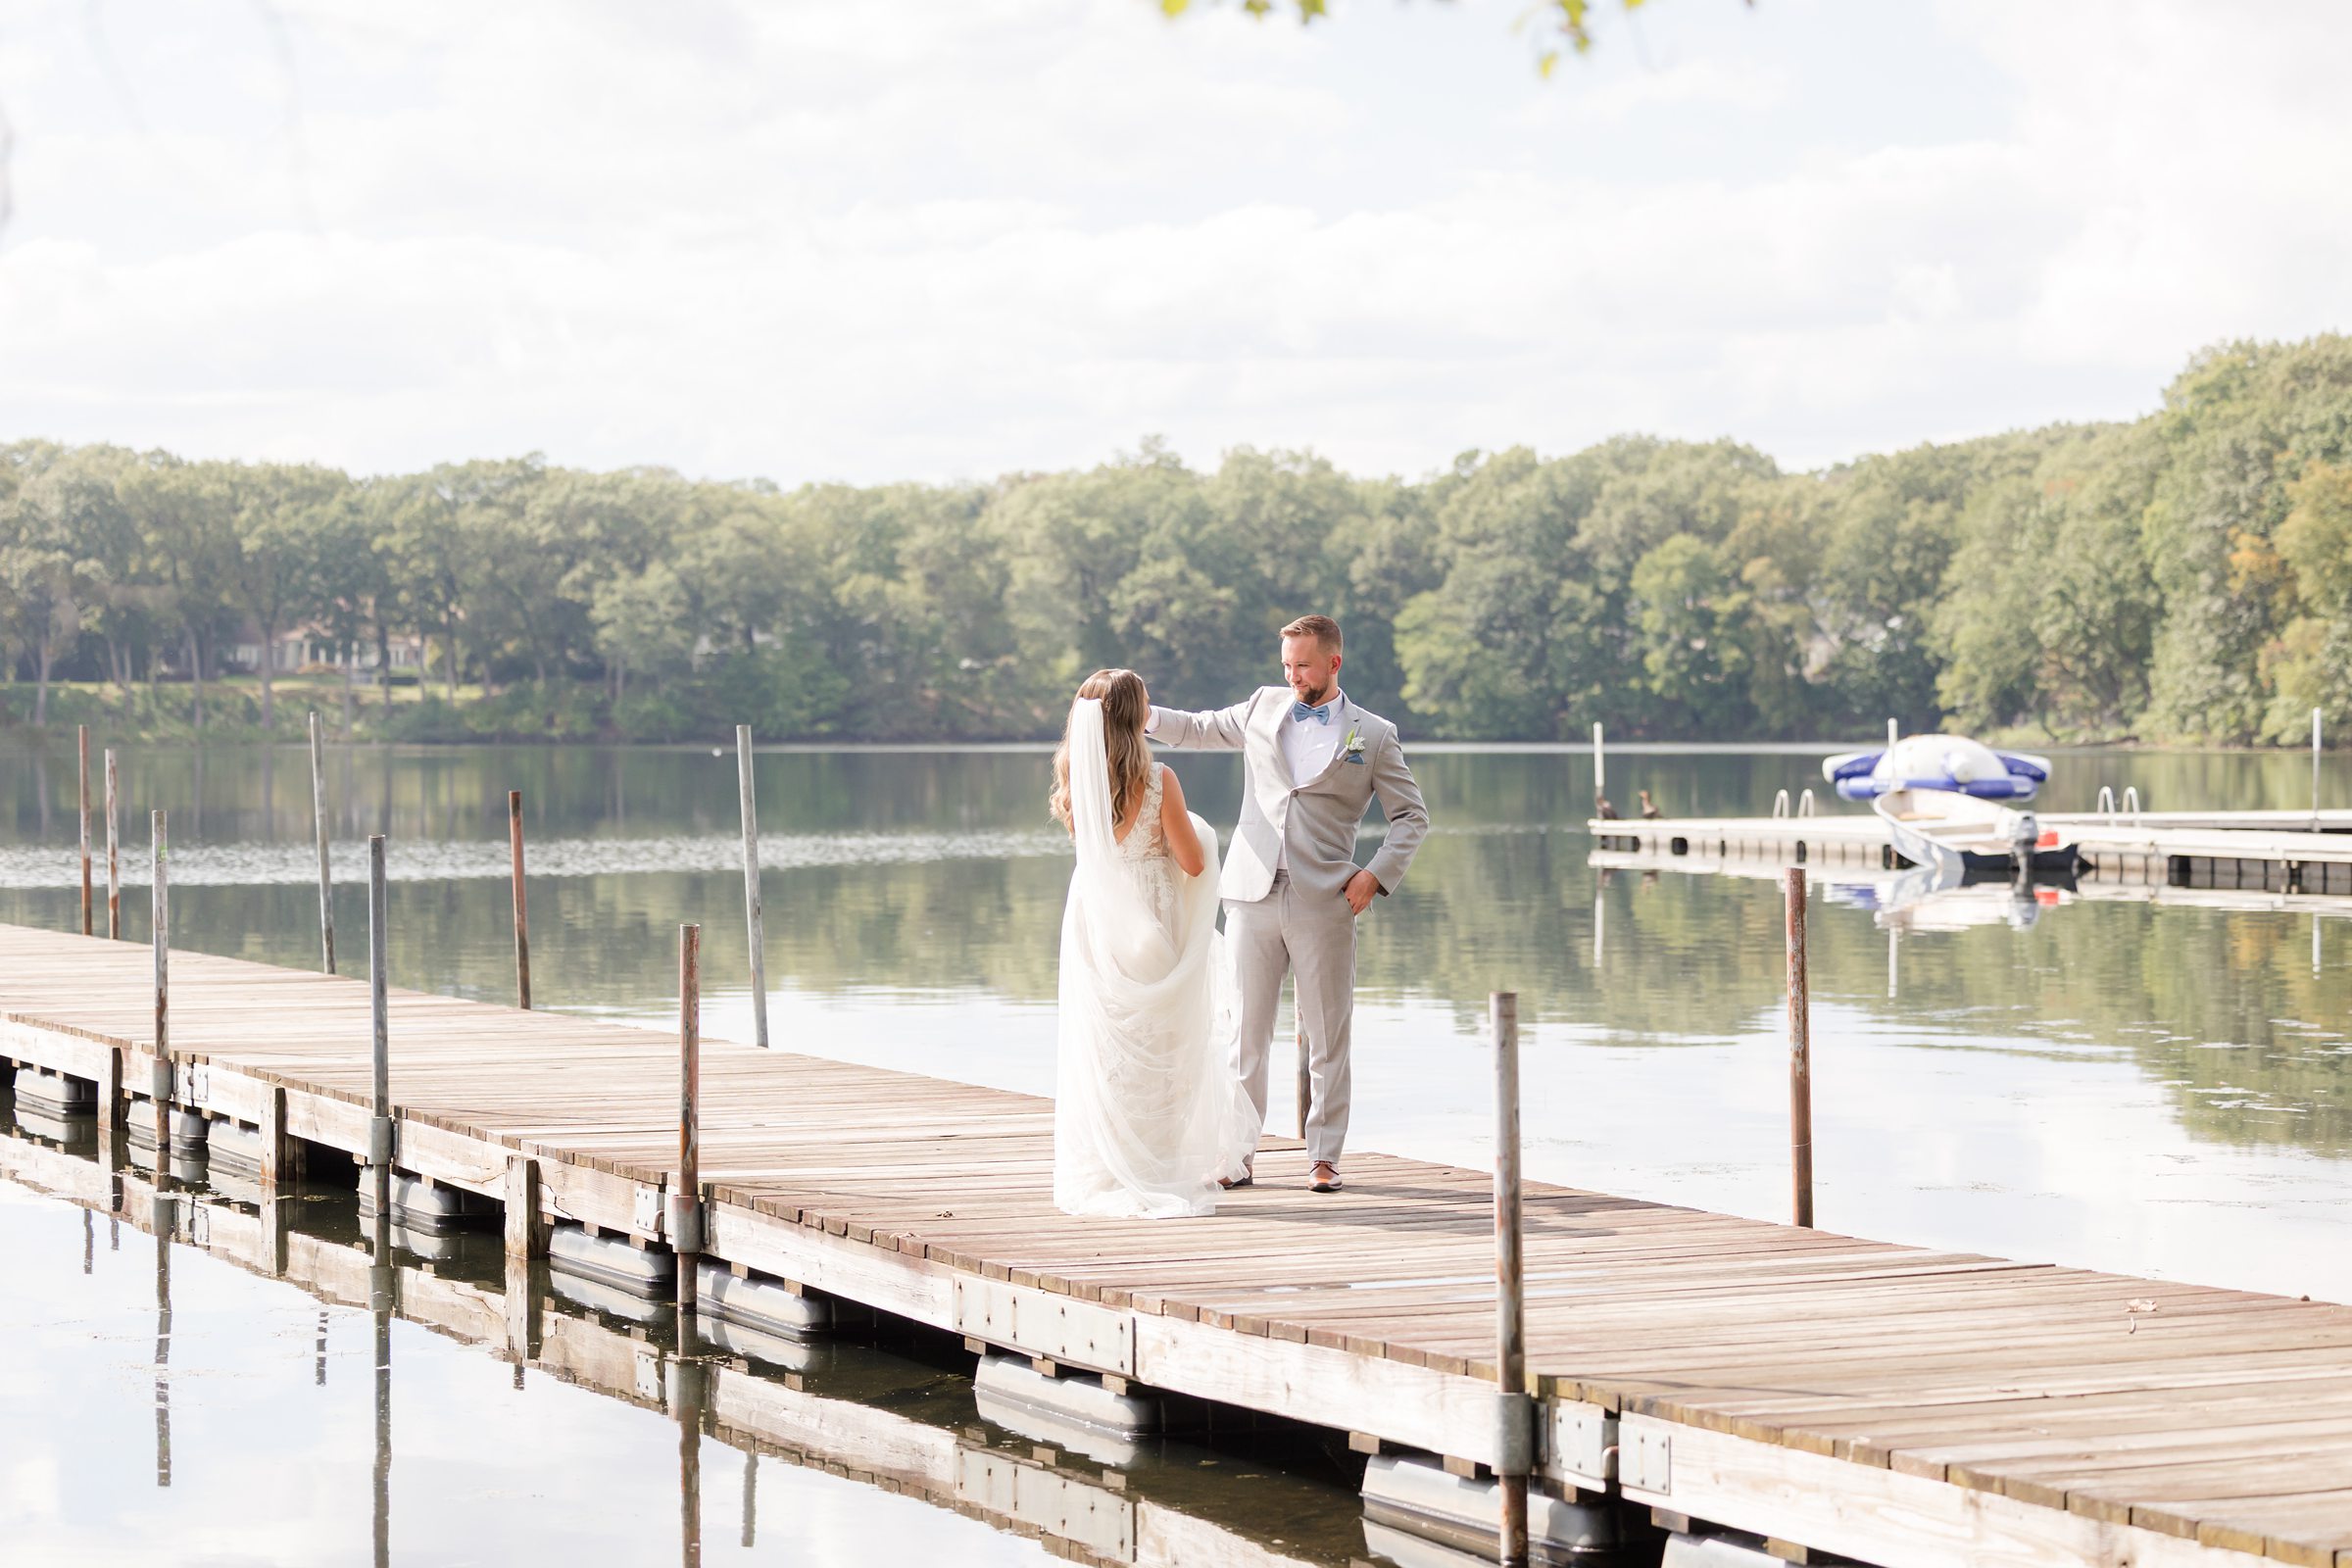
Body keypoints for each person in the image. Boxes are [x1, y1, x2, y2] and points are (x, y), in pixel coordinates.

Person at [1146, 614, 1429, 1193]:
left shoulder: (1372, 735)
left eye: (1303, 665)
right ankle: (1237, 1155)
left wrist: (1374, 877)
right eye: (1286, 665)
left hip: (1325, 899)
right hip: (1250, 893)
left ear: (1333, 664)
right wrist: (1141, 712)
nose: (1293, 675)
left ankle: (1324, 1157)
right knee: (1244, 1034)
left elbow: (1410, 818)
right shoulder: (1261, 708)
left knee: (1328, 1036)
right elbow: (1197, 729)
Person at [1050, 669, 1254, 1218]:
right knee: (1162, 1044)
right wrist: (1198, 828)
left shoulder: (1077, 778)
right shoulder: (1159, 780)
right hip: (1150, 918)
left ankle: (1107, 1161)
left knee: (1109, 1041)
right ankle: (1154, 1163)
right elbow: (1192, 861)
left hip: (1096, 917)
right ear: (1137, 716)